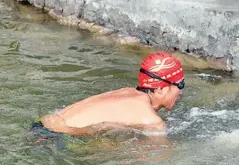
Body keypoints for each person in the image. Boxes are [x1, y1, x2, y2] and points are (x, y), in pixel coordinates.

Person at [32, 52, 185, 139]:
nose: (181, 92)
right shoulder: (151, 120)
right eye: (180, 85)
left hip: (42, 124)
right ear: (160, 89)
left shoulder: (128, 92)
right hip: (56, 138)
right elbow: (161, 158)